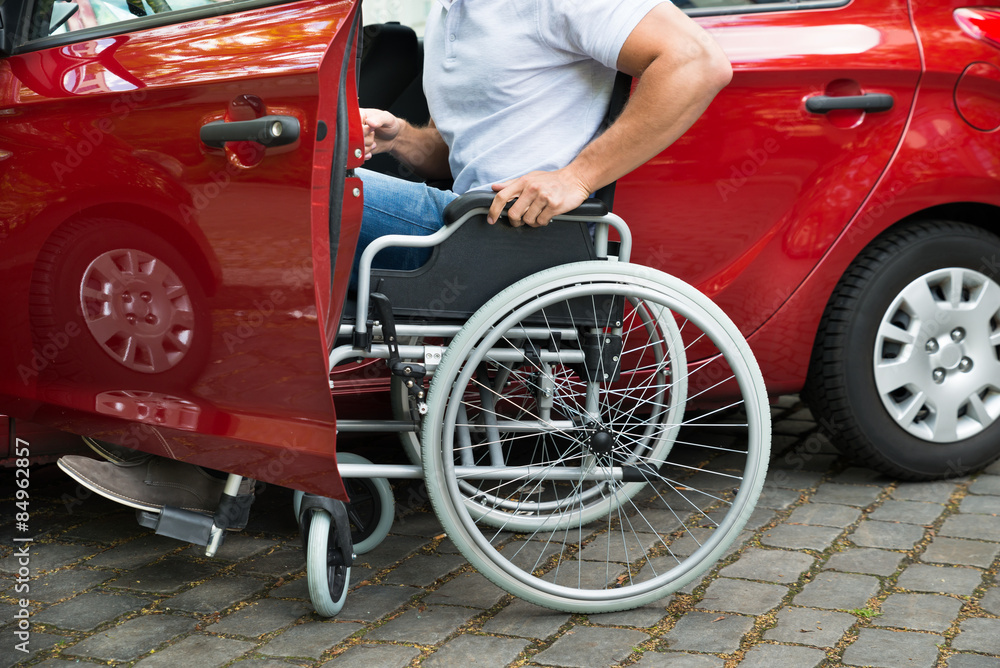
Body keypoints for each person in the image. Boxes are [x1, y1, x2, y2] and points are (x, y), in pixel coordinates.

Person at [57, 0, 732, 513]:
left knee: (285, 192)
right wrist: (401, 136)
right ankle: (207, 449)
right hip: (464, 220)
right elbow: (455, 150)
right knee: (259, 200)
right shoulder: (455, 14)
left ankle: (204, 462)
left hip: (507, 236)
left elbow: (699, 62)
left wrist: (575, 178)